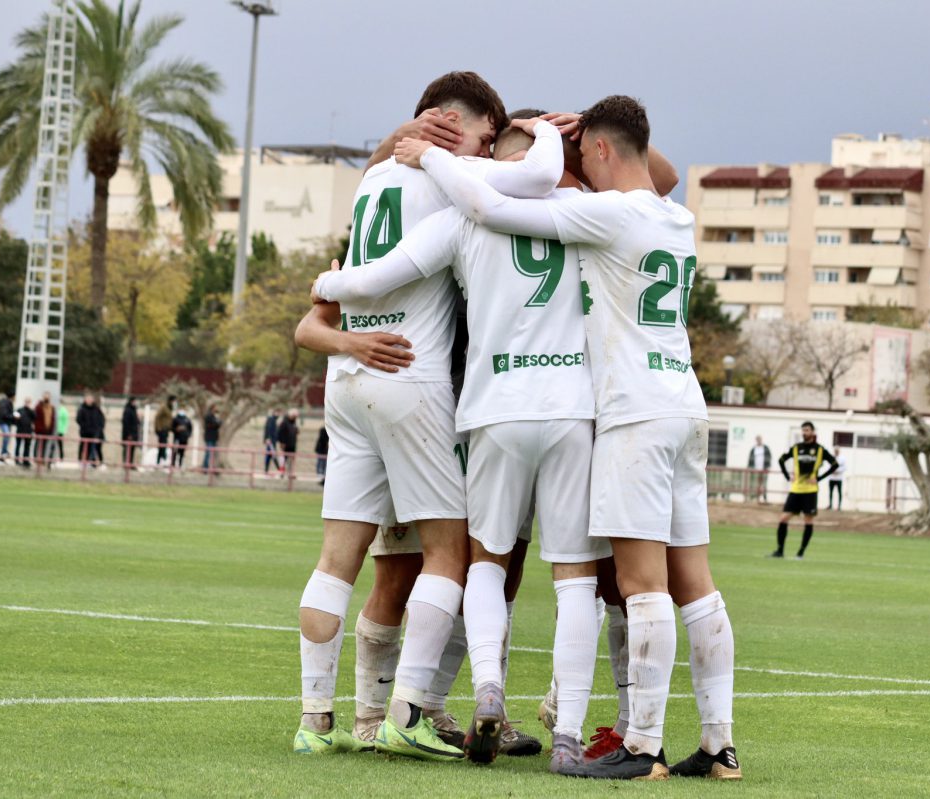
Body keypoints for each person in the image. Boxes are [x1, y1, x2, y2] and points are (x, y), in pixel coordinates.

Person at [403, 95, 739, 780]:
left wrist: (430, 154)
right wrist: (586, 127)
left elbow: (491, 208)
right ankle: (718, 742)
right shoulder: (679, 218)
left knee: (640, 584)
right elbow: (651, 166)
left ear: (604, 150)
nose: (572, 160)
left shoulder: (605, 214)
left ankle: (640, 745)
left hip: (628, 411)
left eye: (584, 150)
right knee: (695, 585)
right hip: (684, 402)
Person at [313, 112, 608, 770]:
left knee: (481, 564)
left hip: (488, 408)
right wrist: (568, 131)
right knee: (573, 579)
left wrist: (327, 284)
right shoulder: (588, 210)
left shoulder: (460, 214)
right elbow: (641, 179)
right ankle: (564, 731)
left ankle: (465, 699)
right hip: (563, 409)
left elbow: (364, 281)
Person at [770, 422, 839, 559]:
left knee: (808, 521)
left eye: (807, 430)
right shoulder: (796, 448)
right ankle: (780, 551)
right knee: (783, 519)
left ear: (813, 432)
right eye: (803, 430)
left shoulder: (819, 450)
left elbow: (834, 464)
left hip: (810, 491)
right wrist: (787, 475)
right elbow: (781, 460)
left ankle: (800, 553)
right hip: (795, 490)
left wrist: (818, 478)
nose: (804, 432)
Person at [77, 393, 106, 466]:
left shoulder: (96, 409)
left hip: (94, 433)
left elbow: (102, 420)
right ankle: (81, 462)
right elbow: (78, 419)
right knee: (83, 447)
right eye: (88, 399)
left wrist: (99, 428)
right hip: (85, 433)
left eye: (90, 399)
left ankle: (93, 463)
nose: (89, 400)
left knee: (94, 448)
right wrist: (84, 427)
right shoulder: (82, 409)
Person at [747, 435, 772, 503]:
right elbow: (750, 460)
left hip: (764, 469)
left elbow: (769, 457)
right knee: (755, 484)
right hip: (755, 470)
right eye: (757, 439)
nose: (758, 441)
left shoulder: (766, 448)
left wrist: (768, 467)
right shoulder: (753, 449)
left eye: (759, 439)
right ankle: (754, 498)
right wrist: (749, 468)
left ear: (761, 440)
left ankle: (764, 498)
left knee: (764, 484)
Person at [34, 393, 55, 465]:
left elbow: (52, 419)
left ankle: (42, 459)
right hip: (40, 429)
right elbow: (35, 418)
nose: (47, 398)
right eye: (45, 396)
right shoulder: (39, 406)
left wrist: (51, 429)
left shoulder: (52, 407)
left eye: (48, 396)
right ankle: (35, 458)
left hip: (47, 430)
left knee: (44, 445)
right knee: (37, 444)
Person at [276, 408, 299, 477]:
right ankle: (281, 473)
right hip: (285, 445)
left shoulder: (294, 423)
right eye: (294, 416)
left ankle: (290, 473)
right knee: (283, 459)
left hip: (292, 445)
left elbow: (296, 431)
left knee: (292, 460)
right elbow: (280, 433)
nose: (295, 418)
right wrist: (282, 443)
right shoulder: (284, 423)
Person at [121, 397, 141, 469]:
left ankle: (130, 464)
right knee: (127, 449)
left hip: (134, 434)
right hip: (129, 434)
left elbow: (136, 422)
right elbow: (126, 423)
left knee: (132, 449)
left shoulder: (134, 410)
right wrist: (128, 434)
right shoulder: (128, 410)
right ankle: (126, 464)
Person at [15, 397, 35, 468]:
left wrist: (29, 409)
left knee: (27, 447)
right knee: (18, 445)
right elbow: (15, 418)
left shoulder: (31, 411)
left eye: (28, 402)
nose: (27, 403)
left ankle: (25, 461)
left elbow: (35, 418)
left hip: (28, 431)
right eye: (26, 402)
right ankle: (17, 460)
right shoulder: (19, 410)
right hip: (20, 430)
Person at [154, 396, 174, 466]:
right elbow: (157, 417)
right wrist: (158, 428)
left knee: (163, 445)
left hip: (166, 430)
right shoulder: (164, 407)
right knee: (162, 445)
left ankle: (161, 461)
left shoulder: (169, 408)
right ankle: (159, 461)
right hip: (162, 430)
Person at [202, 405, 221, 473]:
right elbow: (214, 424)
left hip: (214, 438)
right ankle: (205, 468)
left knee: (214, 454)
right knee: (208, 453)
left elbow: (219, 423)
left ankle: (213, 468)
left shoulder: (215, 417)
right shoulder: (208, 416)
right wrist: (216, 423)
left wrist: (217, 423)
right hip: (209, 437)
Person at [0, 393, 15, 461]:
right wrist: (13, 416)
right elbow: (5, 414)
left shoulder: (8, 403)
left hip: (6, 422)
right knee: (6, 435)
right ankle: (4, 452)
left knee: (7, 436)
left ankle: (3, 453)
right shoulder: (6, 403)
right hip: (4, 422)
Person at [828, 445, 847, 510]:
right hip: (832, 478)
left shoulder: (842, 458)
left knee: (839, 492)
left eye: (837, 450)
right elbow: (829, 466)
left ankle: (839, 506)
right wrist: (832, 471)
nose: (836, 451)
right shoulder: (832, 457)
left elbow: (844, 467)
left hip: (839, 478)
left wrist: (837, 471)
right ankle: (830, 505)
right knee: (831, 492)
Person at [263, 409, 281, 474]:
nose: (278, 414)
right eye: (277, 413)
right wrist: (267, 438)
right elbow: (268, 429)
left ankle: (266, 470)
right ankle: (279, 469)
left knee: (269, 455)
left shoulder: (274, 420)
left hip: (273, 441)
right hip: (270, 441)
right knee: (273, 455)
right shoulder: (271, 419)